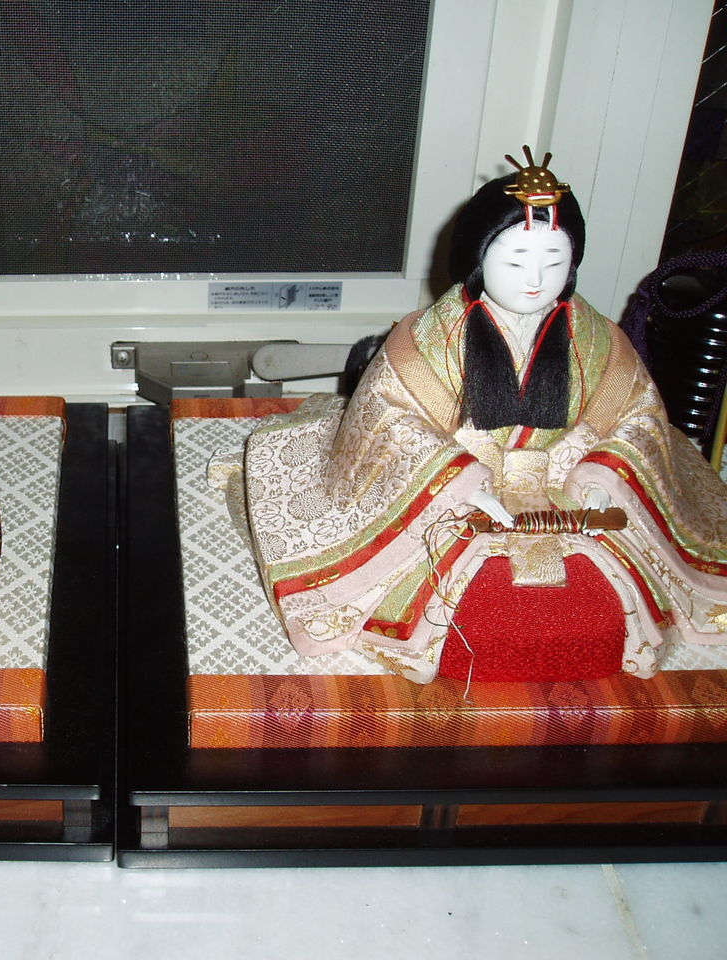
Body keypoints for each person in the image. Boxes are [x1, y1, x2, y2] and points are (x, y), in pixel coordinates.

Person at [243, 149, 727, 683]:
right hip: (456, 487)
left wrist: (601, 477)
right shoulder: (427, 340)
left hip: (571, 488)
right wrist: (463, 483)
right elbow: (391, 420)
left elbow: (638, 417)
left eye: (554, 262)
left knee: (601, 605)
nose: (535, 279)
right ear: (478, 258)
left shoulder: (598, 340)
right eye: (515, 261)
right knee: (469, 611)